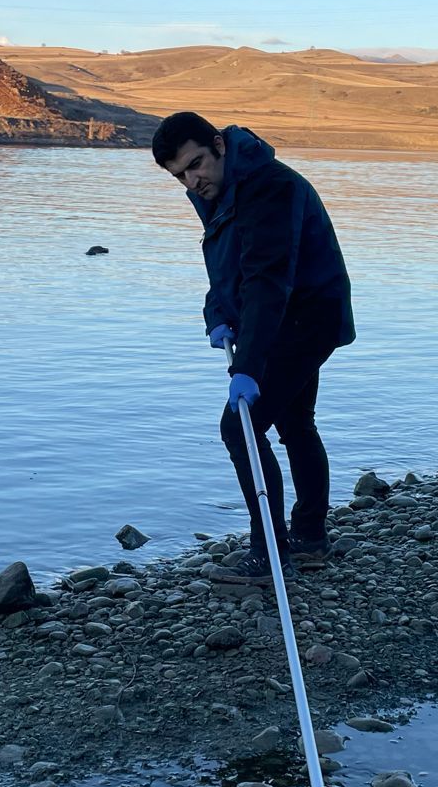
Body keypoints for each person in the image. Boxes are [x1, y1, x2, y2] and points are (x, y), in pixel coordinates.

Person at [152, 111, 355, 574]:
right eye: (180, 174)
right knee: (296, 424)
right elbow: (229, 265)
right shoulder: (223, 187)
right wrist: (217, 312)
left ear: (219, 145)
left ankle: (269, 554)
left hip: (303, 318)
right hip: (289, 316)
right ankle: (309, 538)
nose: (192, 180)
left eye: (197, 163)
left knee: (240, 429)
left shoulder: (269, 187)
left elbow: (267, 279)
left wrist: (247, 365)